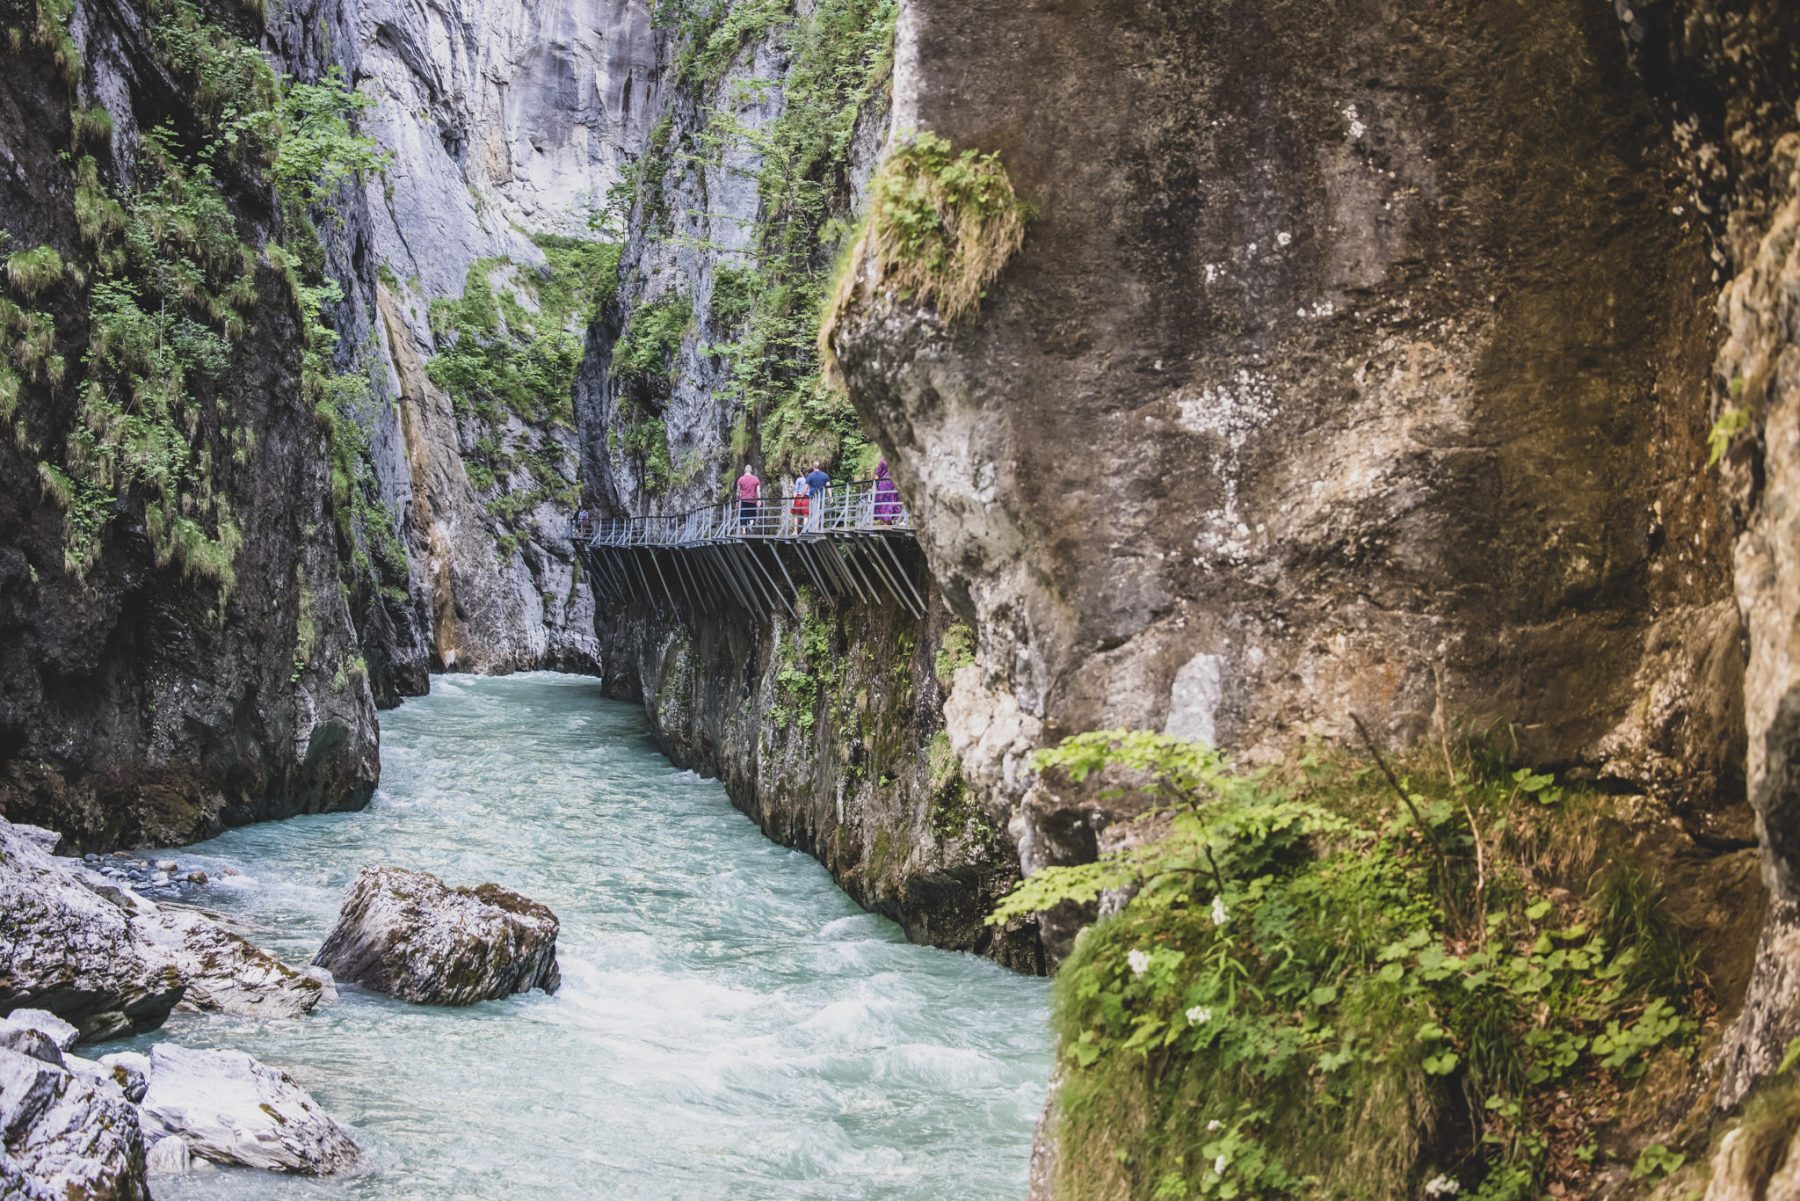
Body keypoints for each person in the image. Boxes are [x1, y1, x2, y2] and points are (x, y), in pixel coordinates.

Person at [804, 461, 830, 531]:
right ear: (819, 467)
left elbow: (806, 487)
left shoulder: (810, 475)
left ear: (813, 467)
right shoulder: (825, 475)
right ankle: (820, 527)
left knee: (813, 512)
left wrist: (802, 496)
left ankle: (815, 528)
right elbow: (828, 486)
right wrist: (830, 497)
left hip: (813, 497)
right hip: (822, 497)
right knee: (820, 511)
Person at [873, 459, 900, 525]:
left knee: (885, 501)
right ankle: (888, 520)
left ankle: (886, 520)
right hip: (892, 482)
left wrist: (876, 485)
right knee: (891, 500)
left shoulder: (883, 460)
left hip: (885, 482)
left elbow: (877, 474)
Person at [736, 465, 761, 533]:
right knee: (752, 514)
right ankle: (750, 524)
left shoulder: (740, 479)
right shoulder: (756, 479)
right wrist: (759, 500)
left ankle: (744, 531)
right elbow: (758, 491)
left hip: (743, 500)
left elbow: (738, 492)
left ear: (745, 470)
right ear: (751, 470)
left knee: (743, 515)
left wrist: (737, 501)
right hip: (752, 500)